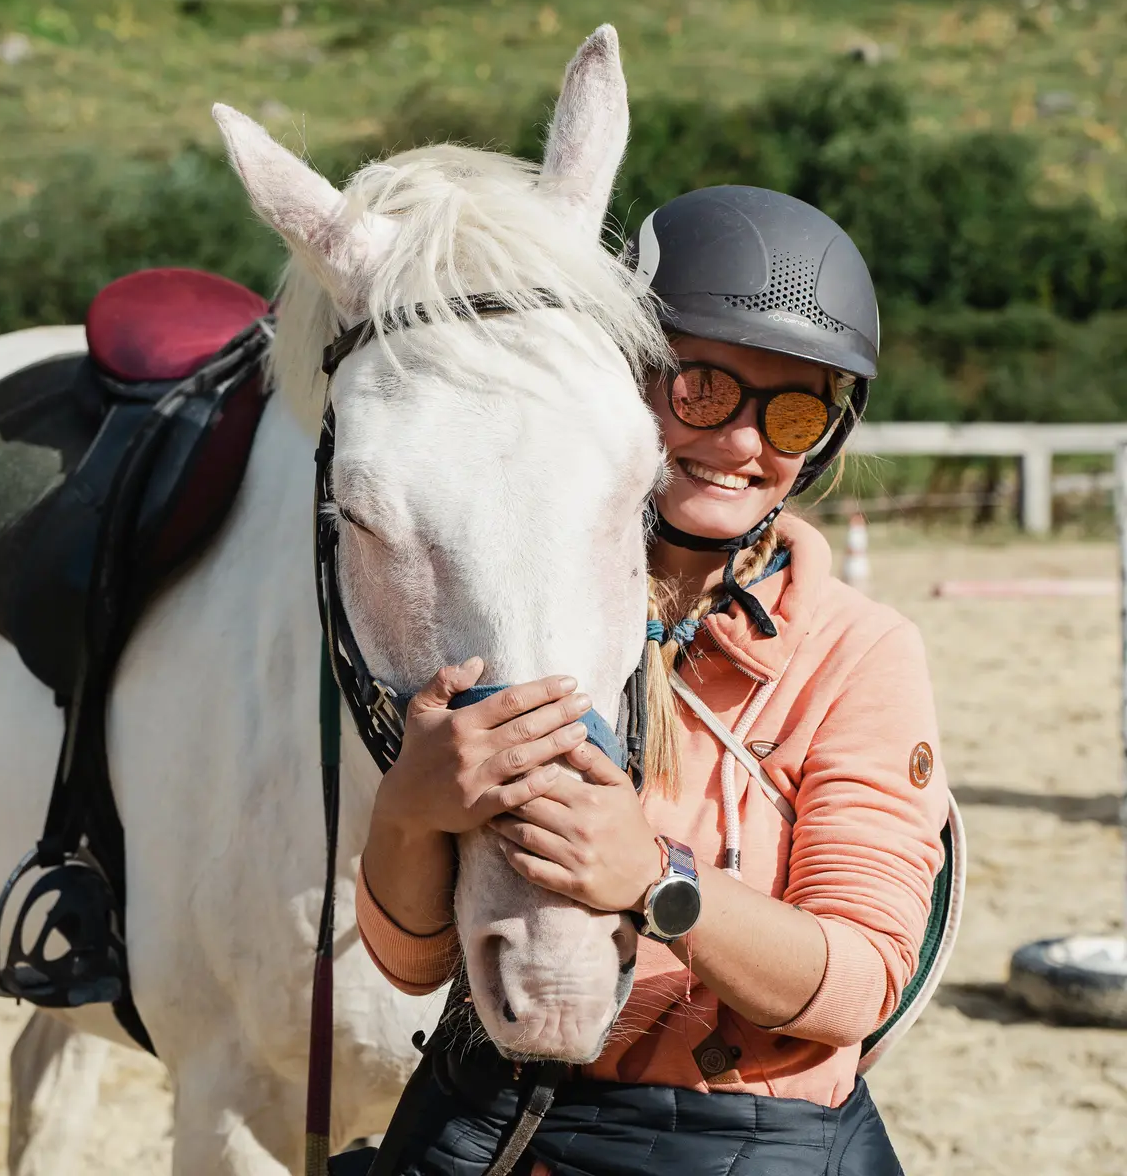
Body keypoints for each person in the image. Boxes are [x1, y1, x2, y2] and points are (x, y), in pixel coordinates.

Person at [353, 186, 949, 1176]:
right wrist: (410, 815)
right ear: (626, 380)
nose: (744, 442)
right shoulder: (522, 612)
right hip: (481, 1121)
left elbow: (861, 982)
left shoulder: (861, 655)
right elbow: (415, 965)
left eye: (794, 412)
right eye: (702, 388)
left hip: (746, 1141)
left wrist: (658, 883)